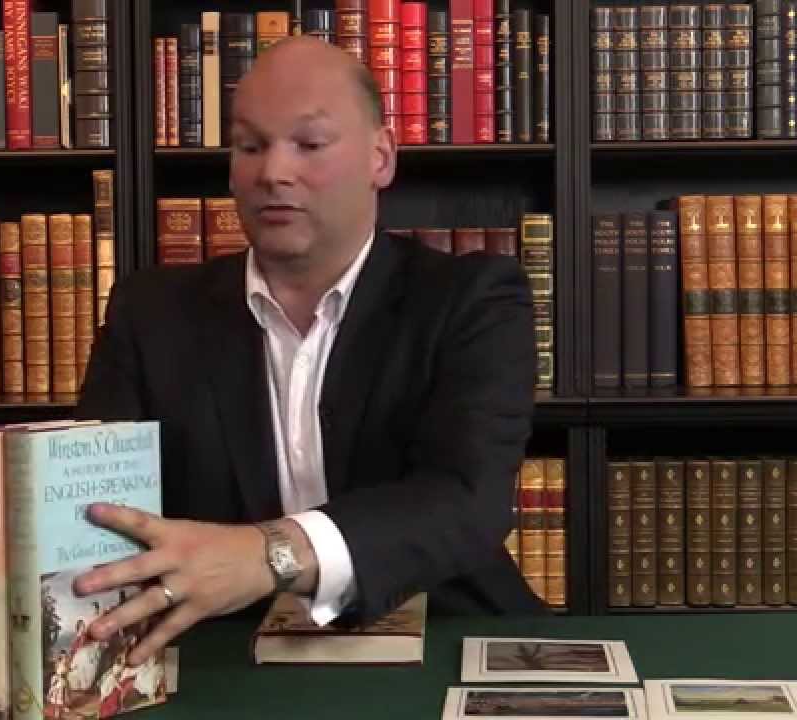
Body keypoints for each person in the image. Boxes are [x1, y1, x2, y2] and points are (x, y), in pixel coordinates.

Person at [73, 35, 541, 667]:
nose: (273, 172)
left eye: (310, 144)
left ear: (381, 158)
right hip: (220, 651)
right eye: (250, 146)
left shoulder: (472, 298)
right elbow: (101, 511)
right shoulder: (150, 312)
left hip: (442, 634)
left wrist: (268, 554)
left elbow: (467, 499)